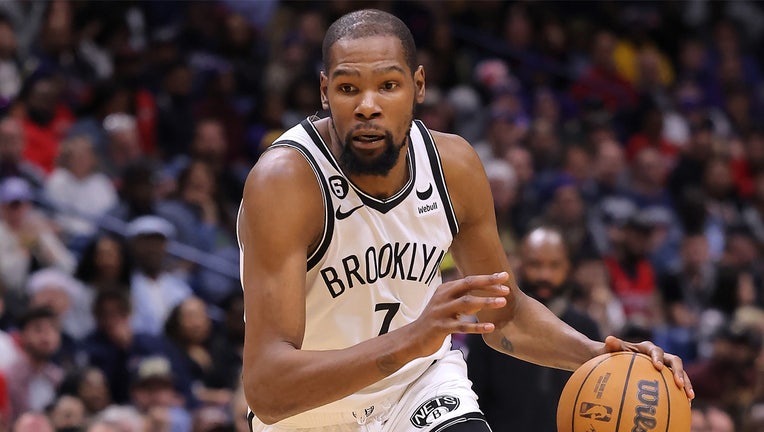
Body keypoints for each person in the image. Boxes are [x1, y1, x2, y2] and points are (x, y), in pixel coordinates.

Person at [236, 9, 694, 432]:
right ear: (324, 92)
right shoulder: (285, 183)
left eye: (388, 86)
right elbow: (268, 390)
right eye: (348, 88)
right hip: (310, 413)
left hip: (421, 391)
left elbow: (505, 316)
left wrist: (599, 356)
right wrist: (411, 339)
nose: (368, 106)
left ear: (418, 86)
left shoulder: (453, 166)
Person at [466, 227, 601, 432]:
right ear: (518, 264)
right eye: (535, 264)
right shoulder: (491, 325)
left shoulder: (587, 328)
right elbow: (473, 399)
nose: (544, 275)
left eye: (554, 265)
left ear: (568, 267)